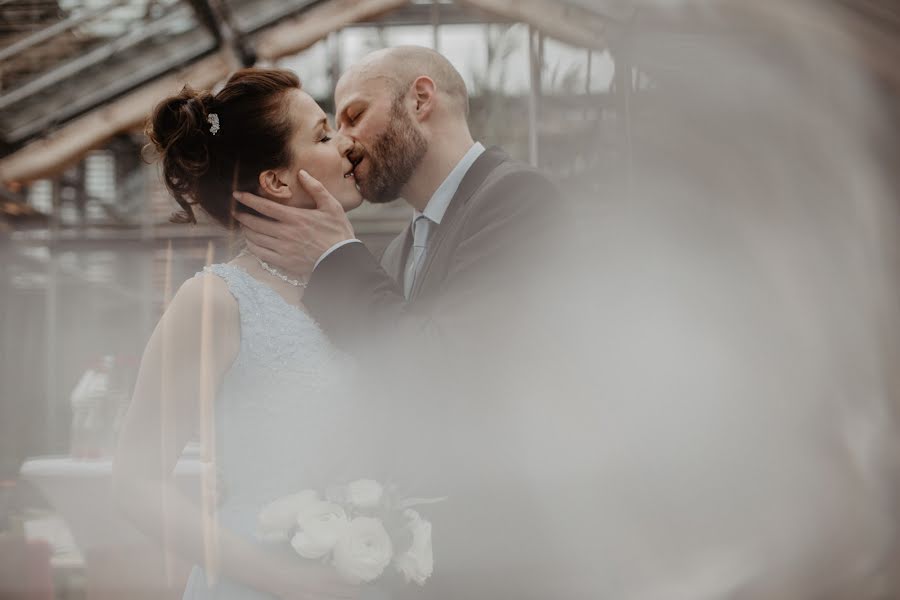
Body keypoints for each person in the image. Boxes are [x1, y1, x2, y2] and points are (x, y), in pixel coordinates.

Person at [112, 67, 364, 600]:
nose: (346, 146)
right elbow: (137, 483)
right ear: (276, 180)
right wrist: (286, 582)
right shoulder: (214, 302)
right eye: (322, 136)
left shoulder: (365, 286)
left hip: (365, 569)